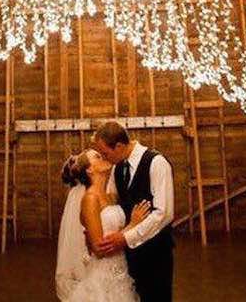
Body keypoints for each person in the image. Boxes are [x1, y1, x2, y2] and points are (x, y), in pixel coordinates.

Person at [93, 121, 175, 302]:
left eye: (105, 154)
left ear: (119, 146)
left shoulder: (156, 163)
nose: (105, 159)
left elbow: (164, 213)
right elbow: (113, 201)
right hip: (129, 256)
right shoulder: (118, 167)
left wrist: (125, 237)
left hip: (156, 253)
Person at [55, 147, 150, 301]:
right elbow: (98, 249)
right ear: (90, 170)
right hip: (103, 276)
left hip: (121, 271)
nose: (104, 157)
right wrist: (132, 225)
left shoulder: (111, 197)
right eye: (97, 157)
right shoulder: (90, 199)